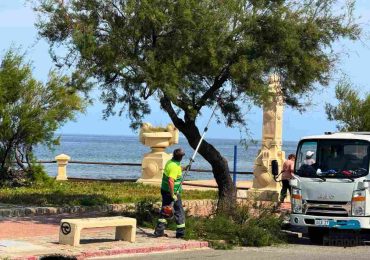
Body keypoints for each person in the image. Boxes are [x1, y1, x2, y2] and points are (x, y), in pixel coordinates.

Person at [154, 148, 188, 238]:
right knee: (179, 211)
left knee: (165, 210)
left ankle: (159, 231)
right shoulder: (174, 166)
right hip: (172, 192)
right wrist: (173, 194)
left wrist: (184, 168)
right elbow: (171, 181)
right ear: (181, 157)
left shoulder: (171, 162)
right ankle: (180, 233)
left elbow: (177, 169)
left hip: (164, 190)